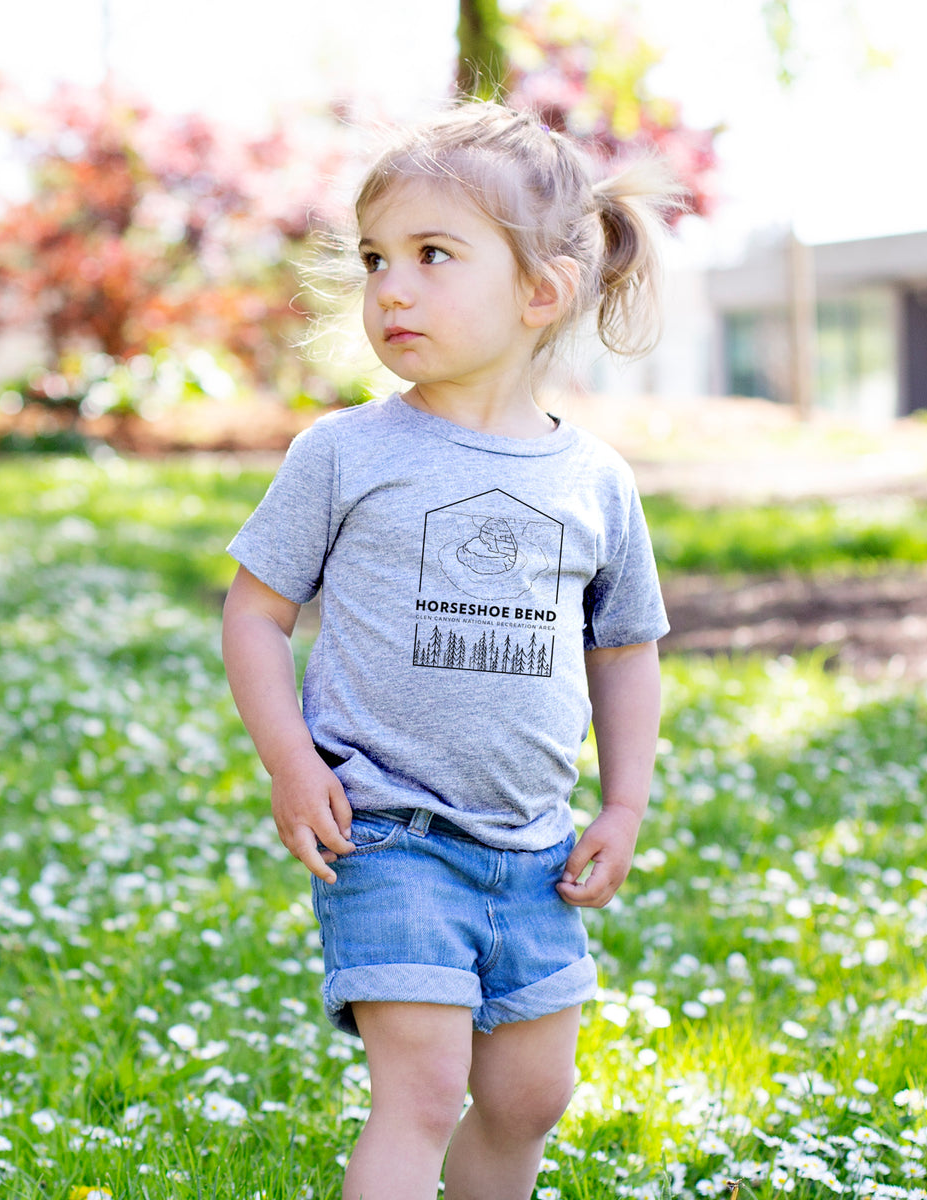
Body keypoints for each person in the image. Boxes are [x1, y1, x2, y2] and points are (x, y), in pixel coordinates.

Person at [221, 100, 675, 1200]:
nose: (391, 287)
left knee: (529, 1102)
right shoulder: (345, 452)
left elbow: (624, 652)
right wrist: (292, 762)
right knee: (421, 1092)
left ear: (541, 291)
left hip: (536, 851)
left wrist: (621, 808)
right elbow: (255, 613)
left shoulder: (596, 482)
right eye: (377, 258)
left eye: (433, 255)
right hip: (389, 831)